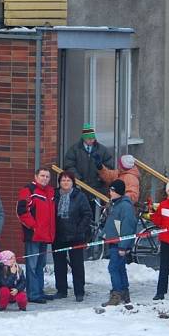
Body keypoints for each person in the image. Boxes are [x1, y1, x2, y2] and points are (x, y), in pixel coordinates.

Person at [16, 167, 56, 304]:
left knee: (40, 264)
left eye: (47, 176)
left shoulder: (50, 192)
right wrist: (34, 226)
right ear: (36, 176)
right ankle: (33, 293)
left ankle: (39, 291)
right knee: (32, 265)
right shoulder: (28, 190)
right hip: (33, 235)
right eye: (42, 176)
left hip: (45, 235)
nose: (44, 178)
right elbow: (21, 211)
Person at [52, 170, 92, 302]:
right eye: (63, 180)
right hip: (58, 235)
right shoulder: (54, 195)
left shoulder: (79, 196)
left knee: (77, 265)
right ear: (59, 182)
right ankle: (61, 290)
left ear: (73, 182)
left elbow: (87, 214)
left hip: (76, 236)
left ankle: (79, 291)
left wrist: (79, 229)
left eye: (68, 180)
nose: (65, 182)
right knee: (59, 264)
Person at [102, 179, 137, 307]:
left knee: (113, 268)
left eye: (112, 190)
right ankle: (124, 292)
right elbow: (112, 223)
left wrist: (123, 246)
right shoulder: (114, 204)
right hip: (114, 241)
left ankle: (117, 293)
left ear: (118, 192)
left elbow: (127, 228)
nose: (110, 192)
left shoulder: (125, 206)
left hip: (119, 244)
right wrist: (104, 234)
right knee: (120, 268)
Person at [63, 123, 114, 198]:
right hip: (80, 187)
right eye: (89, 138)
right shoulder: (74, 150)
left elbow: (110, 167)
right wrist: (79, 179)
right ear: (84, 138)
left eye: (93, 138)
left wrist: (100, 176)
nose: (92, 140)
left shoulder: (103, 150)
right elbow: (69, 166)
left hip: (98, 189)